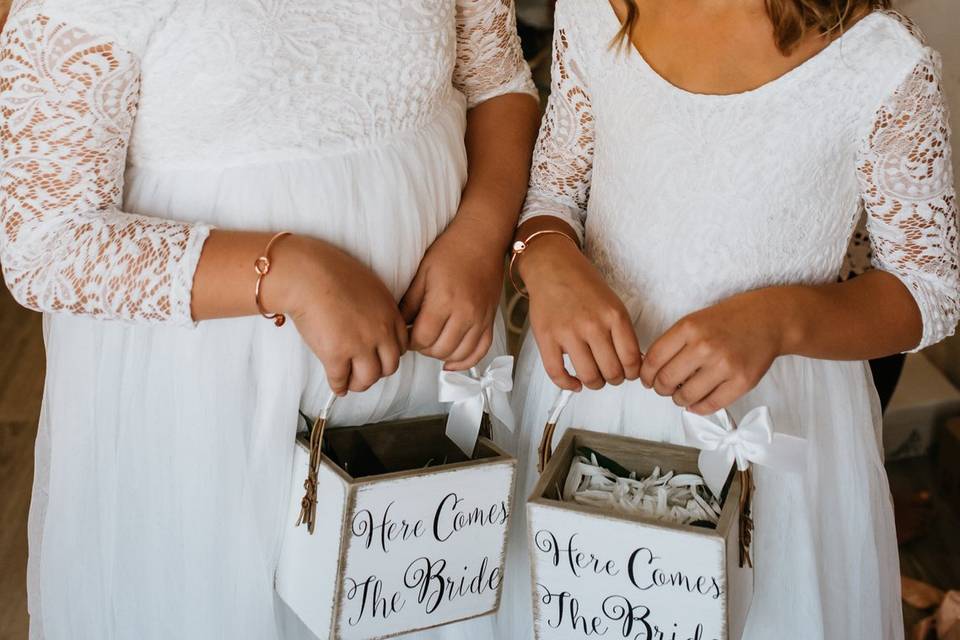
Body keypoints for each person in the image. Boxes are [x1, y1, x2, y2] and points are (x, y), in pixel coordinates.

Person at [0, 1, 539, 638]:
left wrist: (479, 239)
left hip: (432, 356)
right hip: (209, 402)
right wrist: (288, 271)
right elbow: (45, 243)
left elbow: (498, 83)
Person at [503, 0, 959, 638]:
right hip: (587, 395)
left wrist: (781, 320)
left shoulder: (880, 59)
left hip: (769, 424)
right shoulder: (593, 10)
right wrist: (545, 255)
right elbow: (554, 190)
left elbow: (929, 290)